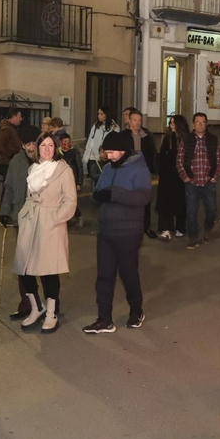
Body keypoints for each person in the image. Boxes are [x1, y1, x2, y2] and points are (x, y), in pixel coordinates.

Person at [83, 131, 151, 334]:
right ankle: (104, 319)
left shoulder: (138, 168)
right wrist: (99, 195)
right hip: (105, 231)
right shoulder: (107, 169)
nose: (109, 156)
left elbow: (143, 197)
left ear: (123, 150)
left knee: (128, 273)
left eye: (112, 153)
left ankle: (136, 310)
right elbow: (101, 192)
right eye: (107, 153)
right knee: (104, 276)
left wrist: (115, 194)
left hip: (128, 231)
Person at [14, 132, 75, 332]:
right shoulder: (33, 168)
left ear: (55, 148)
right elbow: (29, 196)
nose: (47, 149)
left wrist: (56, 218)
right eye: (43, 146)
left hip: (51, 224)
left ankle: (51, 312)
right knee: (24, 269)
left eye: (50, 145)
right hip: (31, 222)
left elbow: (70, 200)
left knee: (49, 271)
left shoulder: (63, 169)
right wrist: (23, 215)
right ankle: (36, 307)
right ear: (37, 148)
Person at [178, 112, 220, 249]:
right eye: (197, 122)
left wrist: (215, 177)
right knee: (191, 211)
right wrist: (185, 177)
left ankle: (207, 230)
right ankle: (193, 237)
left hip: (208, 181)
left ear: (206, 124)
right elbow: (179, 160)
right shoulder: (186, 139)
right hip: (192, 181)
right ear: (193, 124)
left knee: (211, 209)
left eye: (203, 122)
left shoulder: (213, 139)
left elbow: (219, 160)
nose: (200, 124)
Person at [0, 125, 39, 227]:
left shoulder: (44, 163)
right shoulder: (15, 162)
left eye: (34, 144)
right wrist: (5, 212)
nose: (32, 148)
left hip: (40, 218)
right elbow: (9, 189)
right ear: (22, 145)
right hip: (20, 215)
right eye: (28, 144)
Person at [155, 115, 189, 240]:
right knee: (166, 201)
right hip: (168, 175)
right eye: (170, 123)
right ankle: (166, 228)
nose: (172, 125)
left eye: (174, 123)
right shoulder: (168, 139)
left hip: (181, 175)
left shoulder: (186, 139)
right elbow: (163, 156)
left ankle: (180, 227)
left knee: (181, 201)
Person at [126, 111, 157, 237]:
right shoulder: (124, 136)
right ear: (129, 121)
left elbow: (152, 154)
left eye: (139, 120)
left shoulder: (146, 136)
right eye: (135, 120)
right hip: (128, 173)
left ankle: (145, 226)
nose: (137, 123)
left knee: (145, 199)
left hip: (143, 172)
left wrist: (151, 169)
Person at [82, 107, 118, 188]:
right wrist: (85, 158)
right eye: (98, 114)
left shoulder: (114, 128)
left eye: (101, 114)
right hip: (94, 157)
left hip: (106, 158)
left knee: (102, 178)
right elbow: (90, 142)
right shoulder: (96, 126)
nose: (99, 116)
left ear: (107, 115)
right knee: (94, 177)